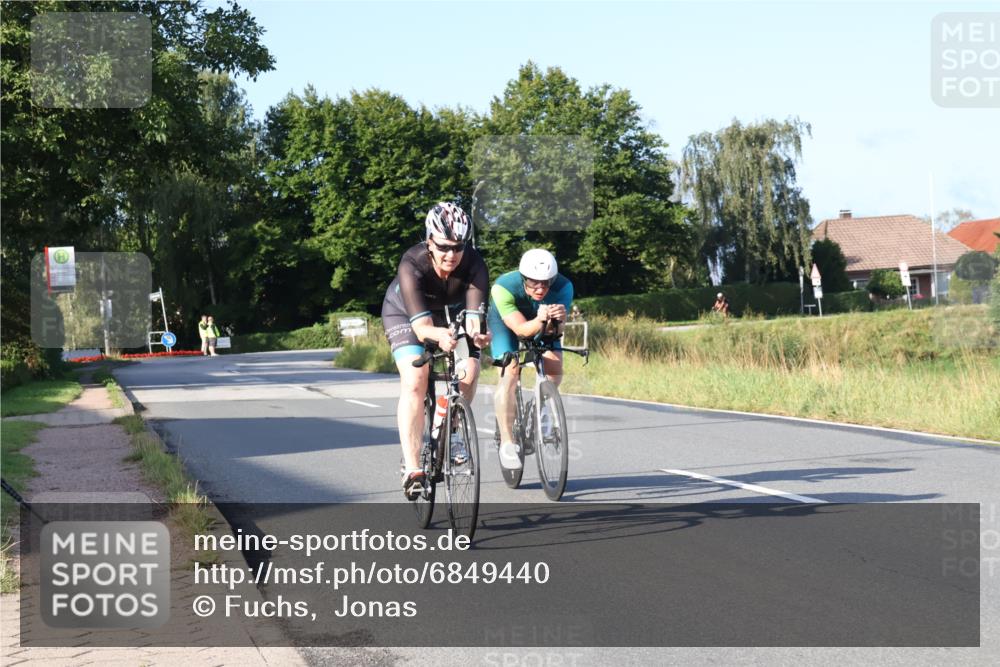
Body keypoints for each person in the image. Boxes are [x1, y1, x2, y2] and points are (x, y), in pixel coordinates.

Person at [381, 202, 492, 500]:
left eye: (458, 247)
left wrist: (479, 336)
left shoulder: (475, 264)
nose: (451, 255)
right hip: (405, 316)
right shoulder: (412, 263)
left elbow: (474, 321)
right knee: (416, 378)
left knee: (470, 369)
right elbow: (422, 329)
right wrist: (439, 336)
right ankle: (413, 468)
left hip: (451, 314)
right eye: (443, 247)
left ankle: (451, 429)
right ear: (429, 241)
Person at [488, 249, 574, 470]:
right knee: (510, 372)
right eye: (534, 283)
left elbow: (556, 332)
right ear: (523, 278)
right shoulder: (503, 287)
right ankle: (507, 443)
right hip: (507, 324)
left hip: (542, 322)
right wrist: (539, 319)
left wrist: (559, 321)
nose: (540, 289)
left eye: (546, 283)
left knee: (554, 370)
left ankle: (540, 406)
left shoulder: (564, 286)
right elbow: (521, 330)